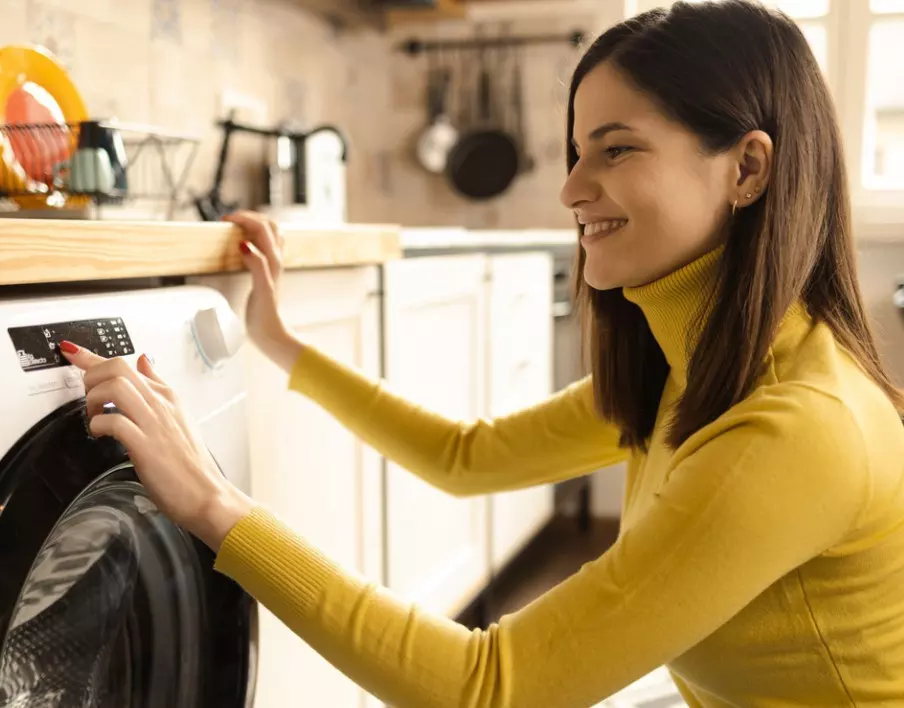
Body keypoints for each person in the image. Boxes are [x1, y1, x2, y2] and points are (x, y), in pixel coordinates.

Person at [59, 1, 904, 705]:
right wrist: (280, 343)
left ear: (748, 169)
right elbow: (468, 457)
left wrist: (212, 505)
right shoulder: (694, 364)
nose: (572, 189)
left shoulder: (795, 428)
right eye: (578, 153)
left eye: (617, 149)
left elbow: (486, 687)